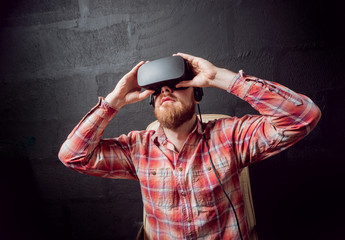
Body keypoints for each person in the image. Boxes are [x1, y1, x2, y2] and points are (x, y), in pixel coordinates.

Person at [58, 53, 321, 240]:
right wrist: (113, 101)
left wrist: (220, 77)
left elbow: (303, 117)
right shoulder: (137, 148)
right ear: (151, 102)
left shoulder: (229, 136)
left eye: (176, 85)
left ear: (196, 94)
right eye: (158, 90)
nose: (166, 92)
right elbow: (73, 156)